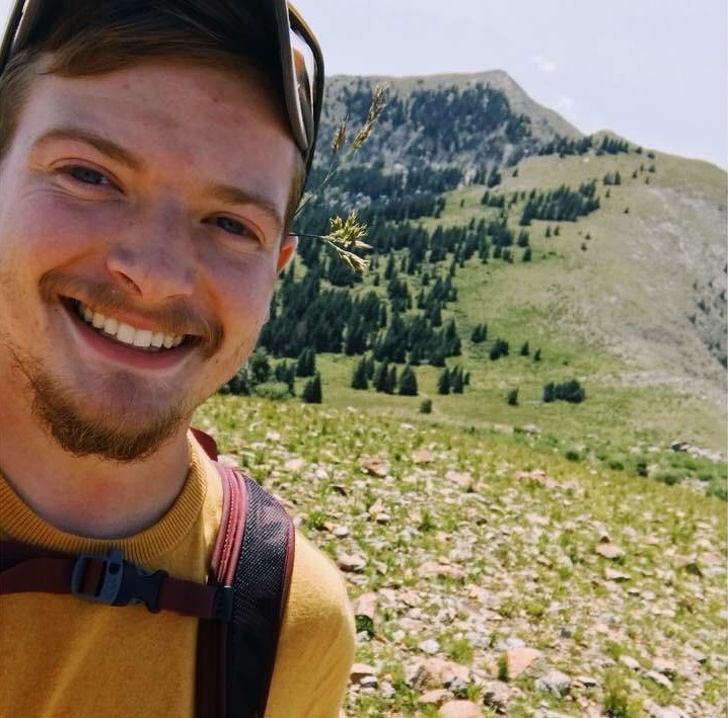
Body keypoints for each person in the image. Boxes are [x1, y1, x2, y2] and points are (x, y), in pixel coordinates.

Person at [0, 1, 355, 716]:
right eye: (88, 175)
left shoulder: (290, 623)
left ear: (276, 271)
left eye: (230, 224)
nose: (156, 274)